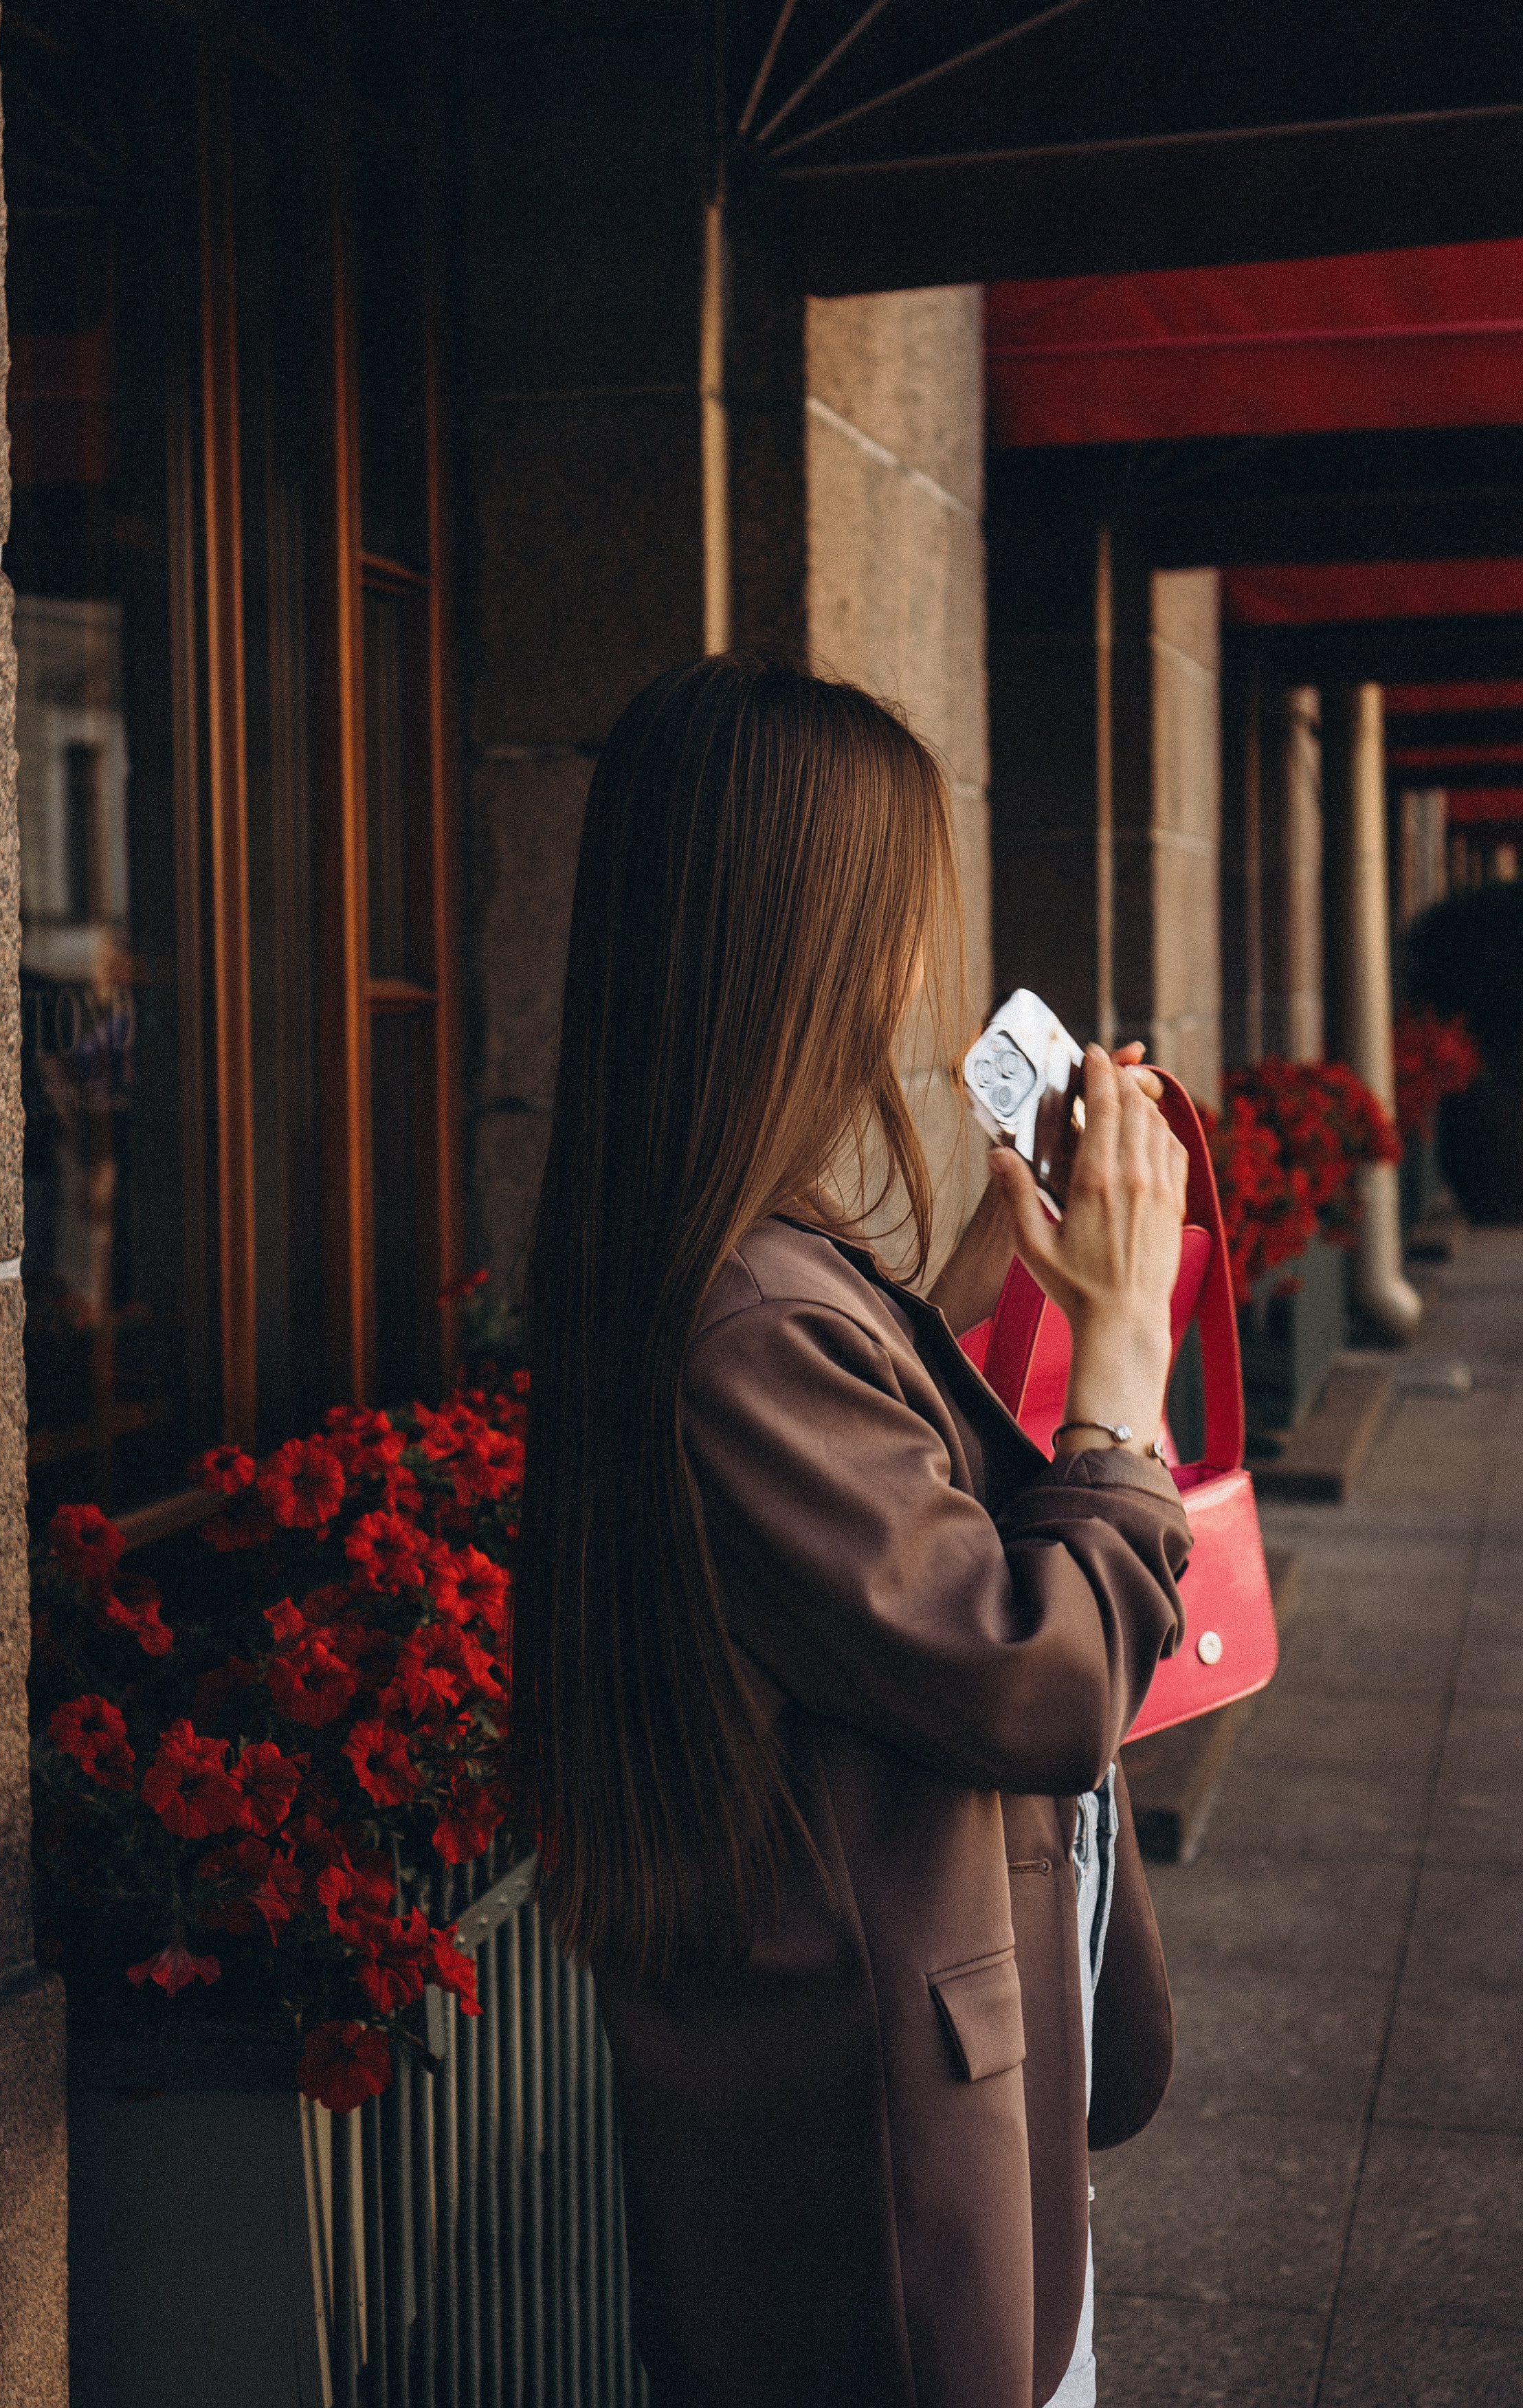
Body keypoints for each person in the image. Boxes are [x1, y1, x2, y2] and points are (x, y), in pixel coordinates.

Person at [511, 656, 1193, 2408]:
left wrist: (963, 1296)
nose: (916, 961)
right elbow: (1031, 1681)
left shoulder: (744, 1257)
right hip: (890, 2150)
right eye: (897, 904)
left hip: (916, 2086)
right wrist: (1118, 1361)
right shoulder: (742, 1313)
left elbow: (853, 1550)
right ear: (798, 928)